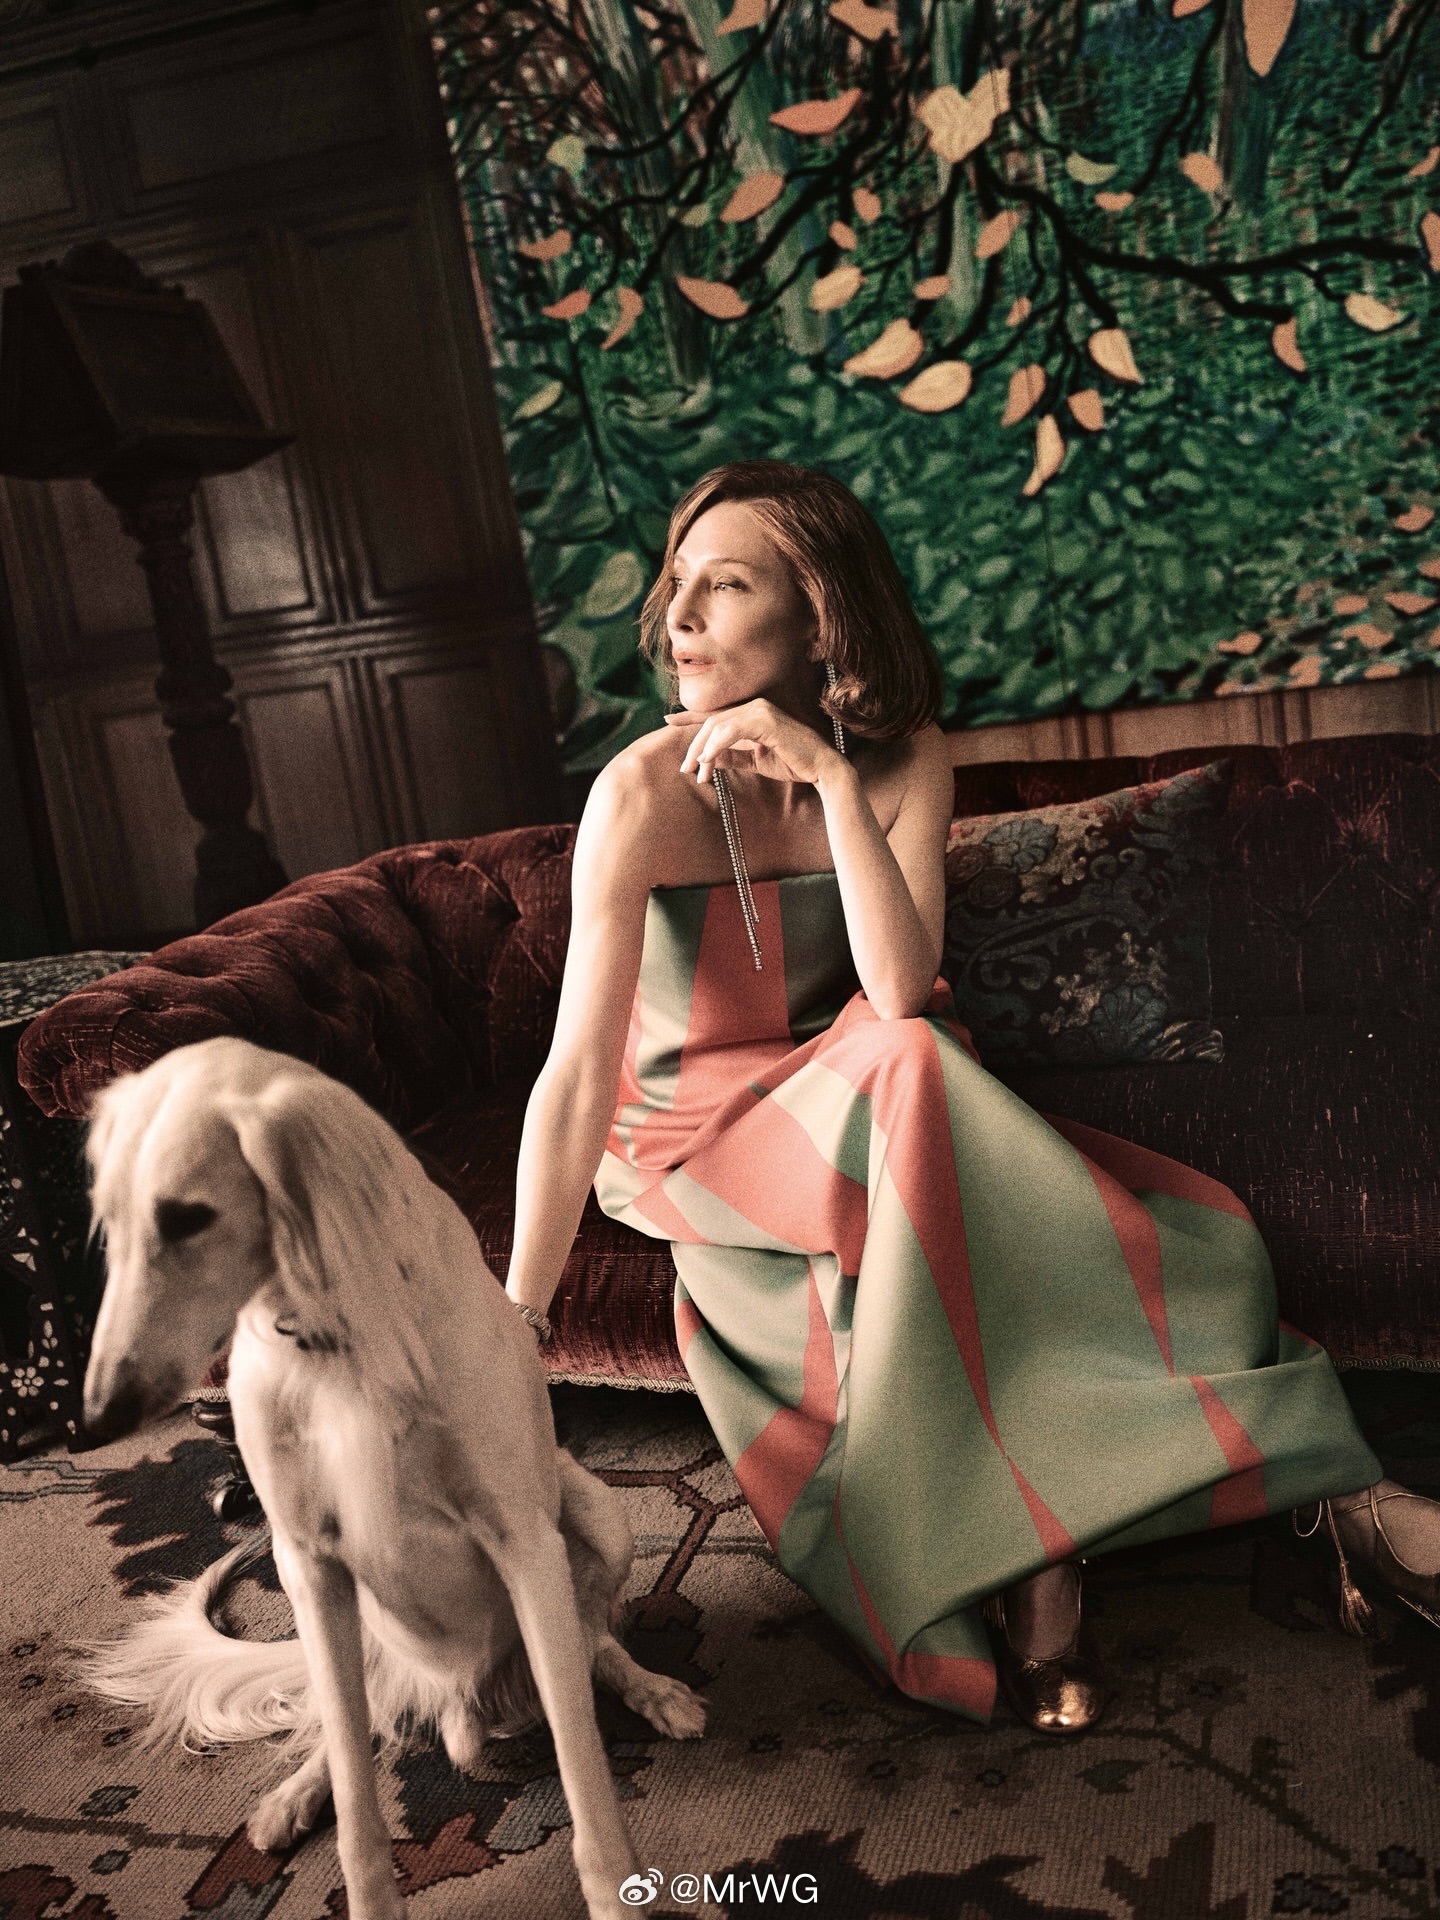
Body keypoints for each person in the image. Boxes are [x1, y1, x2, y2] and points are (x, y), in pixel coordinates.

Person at [505, 459, 1440, 1734]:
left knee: (937, 1074)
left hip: (870, 1093)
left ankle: (1066, 1548)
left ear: (821, 619)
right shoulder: (639, 791)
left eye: (724, 586)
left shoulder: (901, 760)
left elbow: (896, 984)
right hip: (699, 1126)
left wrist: (834, 782)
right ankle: (1255, 1512)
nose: (679, 617)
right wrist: (519, 1316)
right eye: (678, 585)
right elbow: (576, 1071)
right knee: (921, 1069)